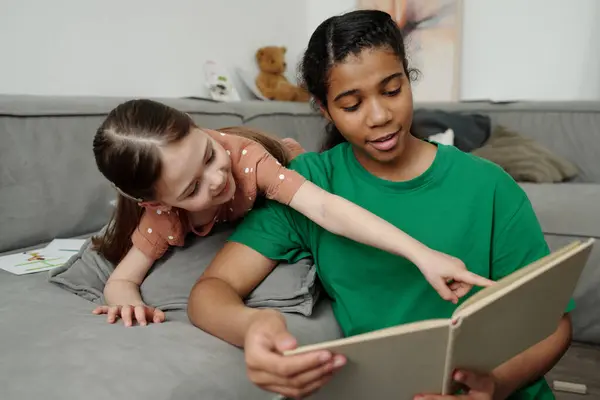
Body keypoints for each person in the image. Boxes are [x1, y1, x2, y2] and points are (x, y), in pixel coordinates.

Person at [186, 9, 574, 400]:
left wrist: (497, 385)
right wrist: (252, 329)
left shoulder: (489, 186)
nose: (380, 116)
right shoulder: (307, 187)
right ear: (325, 110)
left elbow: (554, 323)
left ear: (409, 77)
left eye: (392, 90)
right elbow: (211, 291)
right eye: (351, 105)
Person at [90, 99, 492, 327]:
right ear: (160, 204)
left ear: (197, 126)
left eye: (209, 154)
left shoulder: (246, 162)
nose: (215, 179)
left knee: (304, 169)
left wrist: (420, 253)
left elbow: (324, 207)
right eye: (193, 187)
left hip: (283, 160)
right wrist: (126, 300)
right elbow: (123, 278)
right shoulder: (162, 217)